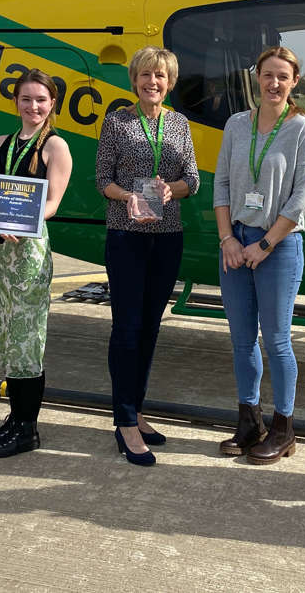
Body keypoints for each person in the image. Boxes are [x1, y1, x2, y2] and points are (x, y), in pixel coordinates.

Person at [213, 46, 305, 464]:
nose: (273, 83)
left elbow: (301, 198)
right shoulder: (237, 124)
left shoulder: (301, 129)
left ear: (294, 82)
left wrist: (264, 245)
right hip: (236, 243)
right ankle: (248, 420)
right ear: (255, 77)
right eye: (267, 75)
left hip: (278, 245)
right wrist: (228, 240)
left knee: (276, 340)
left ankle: (284, 428)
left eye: (282, 76)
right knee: (241, 340)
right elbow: (221, 184)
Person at [96, 46, 199, 466]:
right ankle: (123, 421)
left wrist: (170, 190)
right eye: (144, 75)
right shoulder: (116, 122)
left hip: (167, 235)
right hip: (126, 235)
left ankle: (137, 411)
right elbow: (102, 178)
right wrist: (130, 198)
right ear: (134, 80)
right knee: (127, 327)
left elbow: (192, 177)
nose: (152, 82)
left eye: (159, 76)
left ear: (169, 82)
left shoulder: (179, 123)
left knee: (150, 328)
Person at [0, 69, 73, 458]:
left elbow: (52, 204)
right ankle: (14, 420)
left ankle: (28, 428)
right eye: (26, 99)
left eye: (41, 100)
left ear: (52, 105)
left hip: (28, 252)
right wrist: (0, 219)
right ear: (16, 102)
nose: (33, 106)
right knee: (5, 337)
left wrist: (21, 221)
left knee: (27, 339)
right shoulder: (1, 142)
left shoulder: (56, 147)